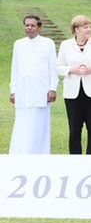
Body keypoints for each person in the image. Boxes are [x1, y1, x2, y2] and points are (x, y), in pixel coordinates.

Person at [57, 15, 91, 154]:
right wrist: (71, 69)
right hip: (72, 94)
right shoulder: (65, 45)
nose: (89, 29)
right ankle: (76, 158)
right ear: (76, 29)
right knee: (74, 128)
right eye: (86, 27)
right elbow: (58, 67)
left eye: (90, 26)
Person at [9, 15, 58, 154]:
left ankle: (39, 153)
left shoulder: (48, 43)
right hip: (23, 91)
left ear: (39, 27)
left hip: (41, 91)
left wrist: (52, 88)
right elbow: (15, 68)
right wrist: (13, 90)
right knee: (22, 123)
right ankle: (20, 152)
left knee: (39, 124)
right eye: (27, 25)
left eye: (32, 25)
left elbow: (53, 68)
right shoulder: (18, 44)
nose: (29, 28)